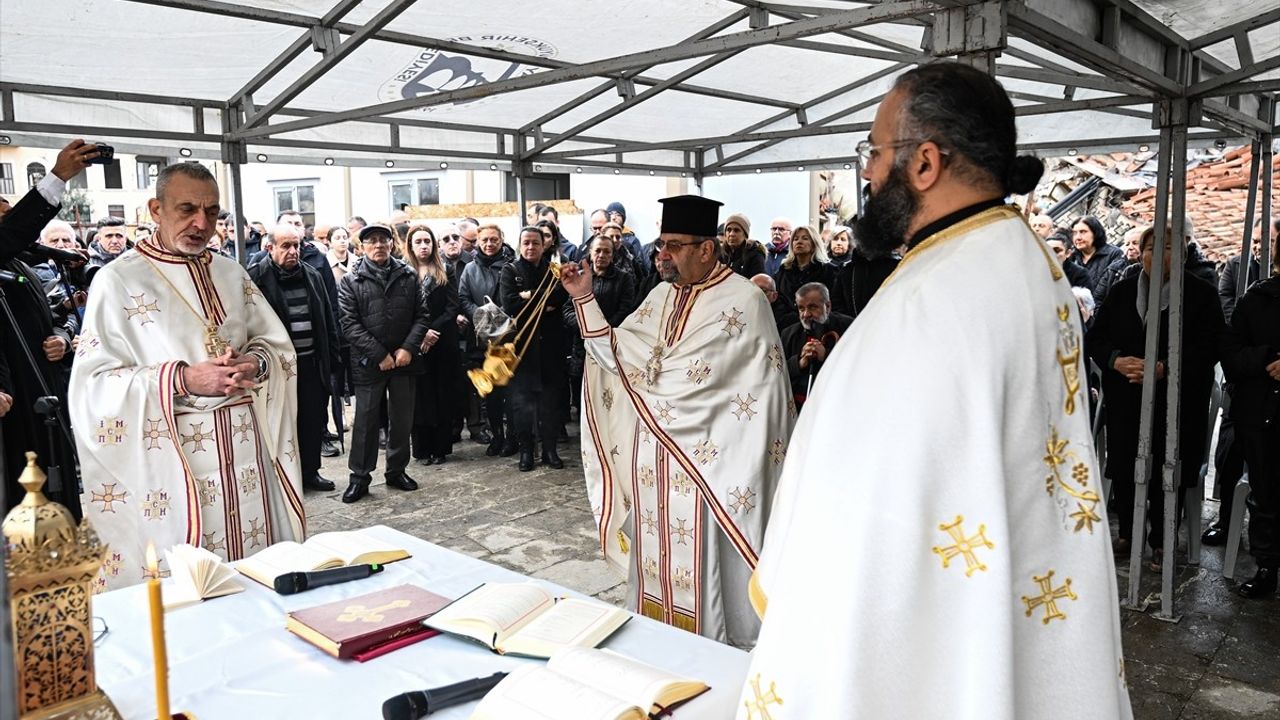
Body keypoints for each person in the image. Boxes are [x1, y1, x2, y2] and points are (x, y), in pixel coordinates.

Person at [740, 63, 1131, 717]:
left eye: (873, 152)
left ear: (924, 162)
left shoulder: (942, 294)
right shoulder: (1014, 256)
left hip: (923, 612)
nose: (866, 174)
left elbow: (872, 496)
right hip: (988, 579)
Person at [561, 194, 794, 647]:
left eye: (673, 245)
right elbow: (618, 351)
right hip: (655, 461)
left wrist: (648, 379)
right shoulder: (662, 294)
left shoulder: (744, 302)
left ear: (706, 249)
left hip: (708, 465)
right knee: (656, 563)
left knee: (703, 565)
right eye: (661, 244)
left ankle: (708, 647)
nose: (661, 254)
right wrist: (584, 297)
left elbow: (683, 381)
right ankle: (654, 637)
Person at [69, 162, 305, 590]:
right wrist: (181, 380)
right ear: (156, 209)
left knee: (258, 577)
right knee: (193, 588)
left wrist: (256, 362)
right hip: (177, 464)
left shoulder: (231, 272)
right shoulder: (117, 280)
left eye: (212, 212)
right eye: (187, 209)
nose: (202, 224)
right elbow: (92, 387)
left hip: (247, 456)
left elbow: (276, 346)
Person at [1086, 225, 1223, 570]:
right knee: (1125, 462)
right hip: (1126, 396)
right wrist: (1118, 360)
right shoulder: (1121, 291)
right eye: (1149, 248)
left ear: (1181, 254)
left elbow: (1211, 347)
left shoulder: (1201, 295)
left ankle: (1163, 540)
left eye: (1166, 249)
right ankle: (1129, 535)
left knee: (1168, 466)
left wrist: (1164, 368)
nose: (1155, 255)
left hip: (1178, 401)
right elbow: (1095, 339)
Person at [337, 223, 428, 503]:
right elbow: (348, 324)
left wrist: (407, 348)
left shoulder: (408, 275)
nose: (378, 245)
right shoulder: (351, 281)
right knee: (365, 421)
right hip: (368, 362)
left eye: (383, 240)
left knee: (402, 418)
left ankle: (397, 470)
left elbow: (422, 315)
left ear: (392, 244)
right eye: (372, 241)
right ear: (362, 247)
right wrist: (380, 355)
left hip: (404, 361)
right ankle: (360, 477)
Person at [247, 223, 340, 492]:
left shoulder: (312, 275)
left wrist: (332, 361)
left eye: (296, 245)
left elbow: (327, 319)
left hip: (311, 363)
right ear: (270, 248)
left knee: (312, 420)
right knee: (282, 422)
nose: (292, 251)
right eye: (285, 245)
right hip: (277, 369)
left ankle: (310, 472)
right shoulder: (255, 278)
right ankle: (283, 477)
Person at [1204, 218, 1274, 545]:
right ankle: (1226, 519)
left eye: (1268, 240)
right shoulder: (1236, 267)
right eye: (1257, 240)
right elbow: (1229, 313)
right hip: (1247, 386)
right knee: (1230, 452)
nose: (1261, 246)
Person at [1220, 233, 1280, 598]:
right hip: (1260, 414)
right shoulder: (1256, 300)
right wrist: (1265, 358)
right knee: (1265, 492)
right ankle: (1267, 566)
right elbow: (1230, 354)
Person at [500, 226, 569, 471]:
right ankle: (526, 452)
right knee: (521, 403)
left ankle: (550, 450)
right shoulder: (510, 270)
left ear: (544, 245)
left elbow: (559, 299)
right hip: (522, 348)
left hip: (550, 346)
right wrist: (539, 302)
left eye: (535, 243)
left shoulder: (554, 271)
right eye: (526, 243)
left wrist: (529, 297)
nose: (531, 247)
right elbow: (510, 304)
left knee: (550, 401)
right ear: (519, 245)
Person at [404, 224, 461, 466]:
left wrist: (432, 330)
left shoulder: (445, 270)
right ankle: (422, 449)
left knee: (442, 394)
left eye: (427, 241)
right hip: (415, 342)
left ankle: (440, 448)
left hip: (442, 340)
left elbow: (452, 306)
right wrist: (420, 334)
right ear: (410, 245)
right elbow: (402, 310)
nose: (423, 246)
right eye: (418, 242)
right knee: (420, 396)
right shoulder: (403, 272)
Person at [459, 224, 514, 457]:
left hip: (506, 338)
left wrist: (499, 317)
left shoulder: (511, 267)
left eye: (494, 239)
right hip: (480, 338)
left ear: (502, 239)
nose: (489, 244)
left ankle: (512, 437)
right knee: (489, 390)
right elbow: (463, 297)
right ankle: (496, 436)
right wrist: (482, 316)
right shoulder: (470, 269)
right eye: (484, 240)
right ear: (477, 242)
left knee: (509, 390)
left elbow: (511, 299)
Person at [779, 282, 852, 411]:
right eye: (801, 308)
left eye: (812, 307)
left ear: (828, 306)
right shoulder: (788, 334)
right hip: (797, 409)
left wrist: (826, 355)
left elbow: (857, 367)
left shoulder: (849, 327)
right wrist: (799, 363)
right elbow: (778, 374)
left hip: (835, 406)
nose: (806, 314)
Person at [773, 225, 833, 311]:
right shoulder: (784, 270)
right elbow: (777, 298)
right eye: (795, 239)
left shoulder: (827, 270)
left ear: (814, 244)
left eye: (805, 238)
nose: (799, 242)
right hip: (786, 321)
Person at [1064, 215, 1123, 293]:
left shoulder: (1114, 254)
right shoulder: (1071, 256)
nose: (1078, 237)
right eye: (1074, 233)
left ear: (1095, 233)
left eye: (1083, 232)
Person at [1093, 226, 1142, 305]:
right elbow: (1097, 299)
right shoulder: (1114, 268)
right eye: (1127, 244)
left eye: (1135, 243)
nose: (1130, 247)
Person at [720, 212, 765, 278]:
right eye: (728, 230)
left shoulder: (755, 255)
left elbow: (757, 283)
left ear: (745, 235)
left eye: (736, 230)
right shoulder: (720, 254)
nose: (731, 234)